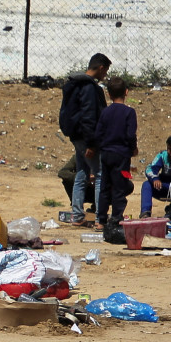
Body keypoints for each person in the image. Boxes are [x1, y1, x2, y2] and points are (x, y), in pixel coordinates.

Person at [59, 53, 111, 226]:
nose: (105, 76)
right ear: (101, 68)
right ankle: (99, 218)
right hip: (86, 137)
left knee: (82, 172)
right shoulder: (89, 87)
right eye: (105, 71)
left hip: (76, 135)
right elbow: (89, 116)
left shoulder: (74, 84)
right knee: (99, 174)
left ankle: (77, 215)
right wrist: (91, 143)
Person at [92, 77, 138, 227]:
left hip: (106, 154)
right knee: (120, 185)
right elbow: (130, 135)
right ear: (126, 92)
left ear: (109, 94)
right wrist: (133, 149)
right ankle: (117, 218)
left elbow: (98, 134)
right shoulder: (129, 112)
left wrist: (96, 148)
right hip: (122, 156)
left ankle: (101, 220)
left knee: (105, 186)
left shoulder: (105, 112)